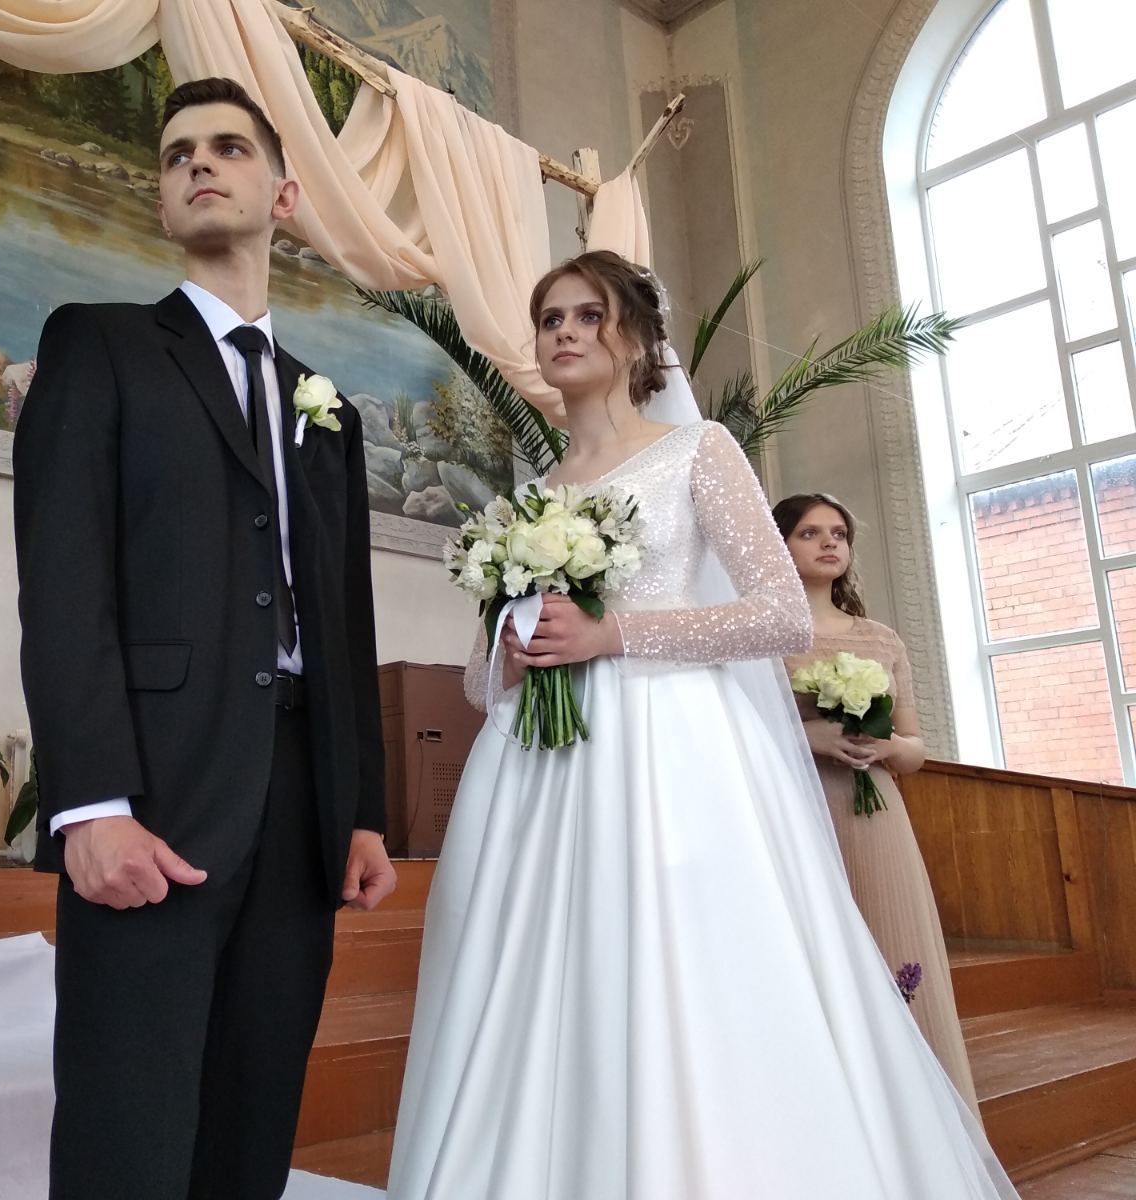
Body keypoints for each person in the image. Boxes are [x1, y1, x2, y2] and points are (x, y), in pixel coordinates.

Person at [386, 250, 1016, 1198]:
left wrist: (613, 633)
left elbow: (781, 616)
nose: (564, 332)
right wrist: (515, 654)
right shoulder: (531, 496)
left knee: (679, 966)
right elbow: (481, 680)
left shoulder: (698, 450)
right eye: (550, 318)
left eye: (588, 315)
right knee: (539, 976)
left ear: (637, 338)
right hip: (540, 770)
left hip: (670, 752)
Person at [12, 76, 397, 1200]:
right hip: (158, 788)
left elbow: (345, 613)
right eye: (178, 153)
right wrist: (89, 804)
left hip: (301, 800)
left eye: (228, 147)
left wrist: (360, 807)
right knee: (128, 1121)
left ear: (282, 196)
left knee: (251, 1114)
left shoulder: (326, 406)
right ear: (164, 196)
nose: (198, 164)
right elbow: (63, 581)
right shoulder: (99, 345)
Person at [776, 491, 980, 1114]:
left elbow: (916, 749)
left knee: (890, 936)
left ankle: (911, 1108)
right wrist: (810, 736)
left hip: (875, 811)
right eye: (809, 533)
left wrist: (883, 743)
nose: (829, 542)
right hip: (794, 804)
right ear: (777, 544)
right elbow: (733, 733)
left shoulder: (881, 639)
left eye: (838, 533)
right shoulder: (765, 636)